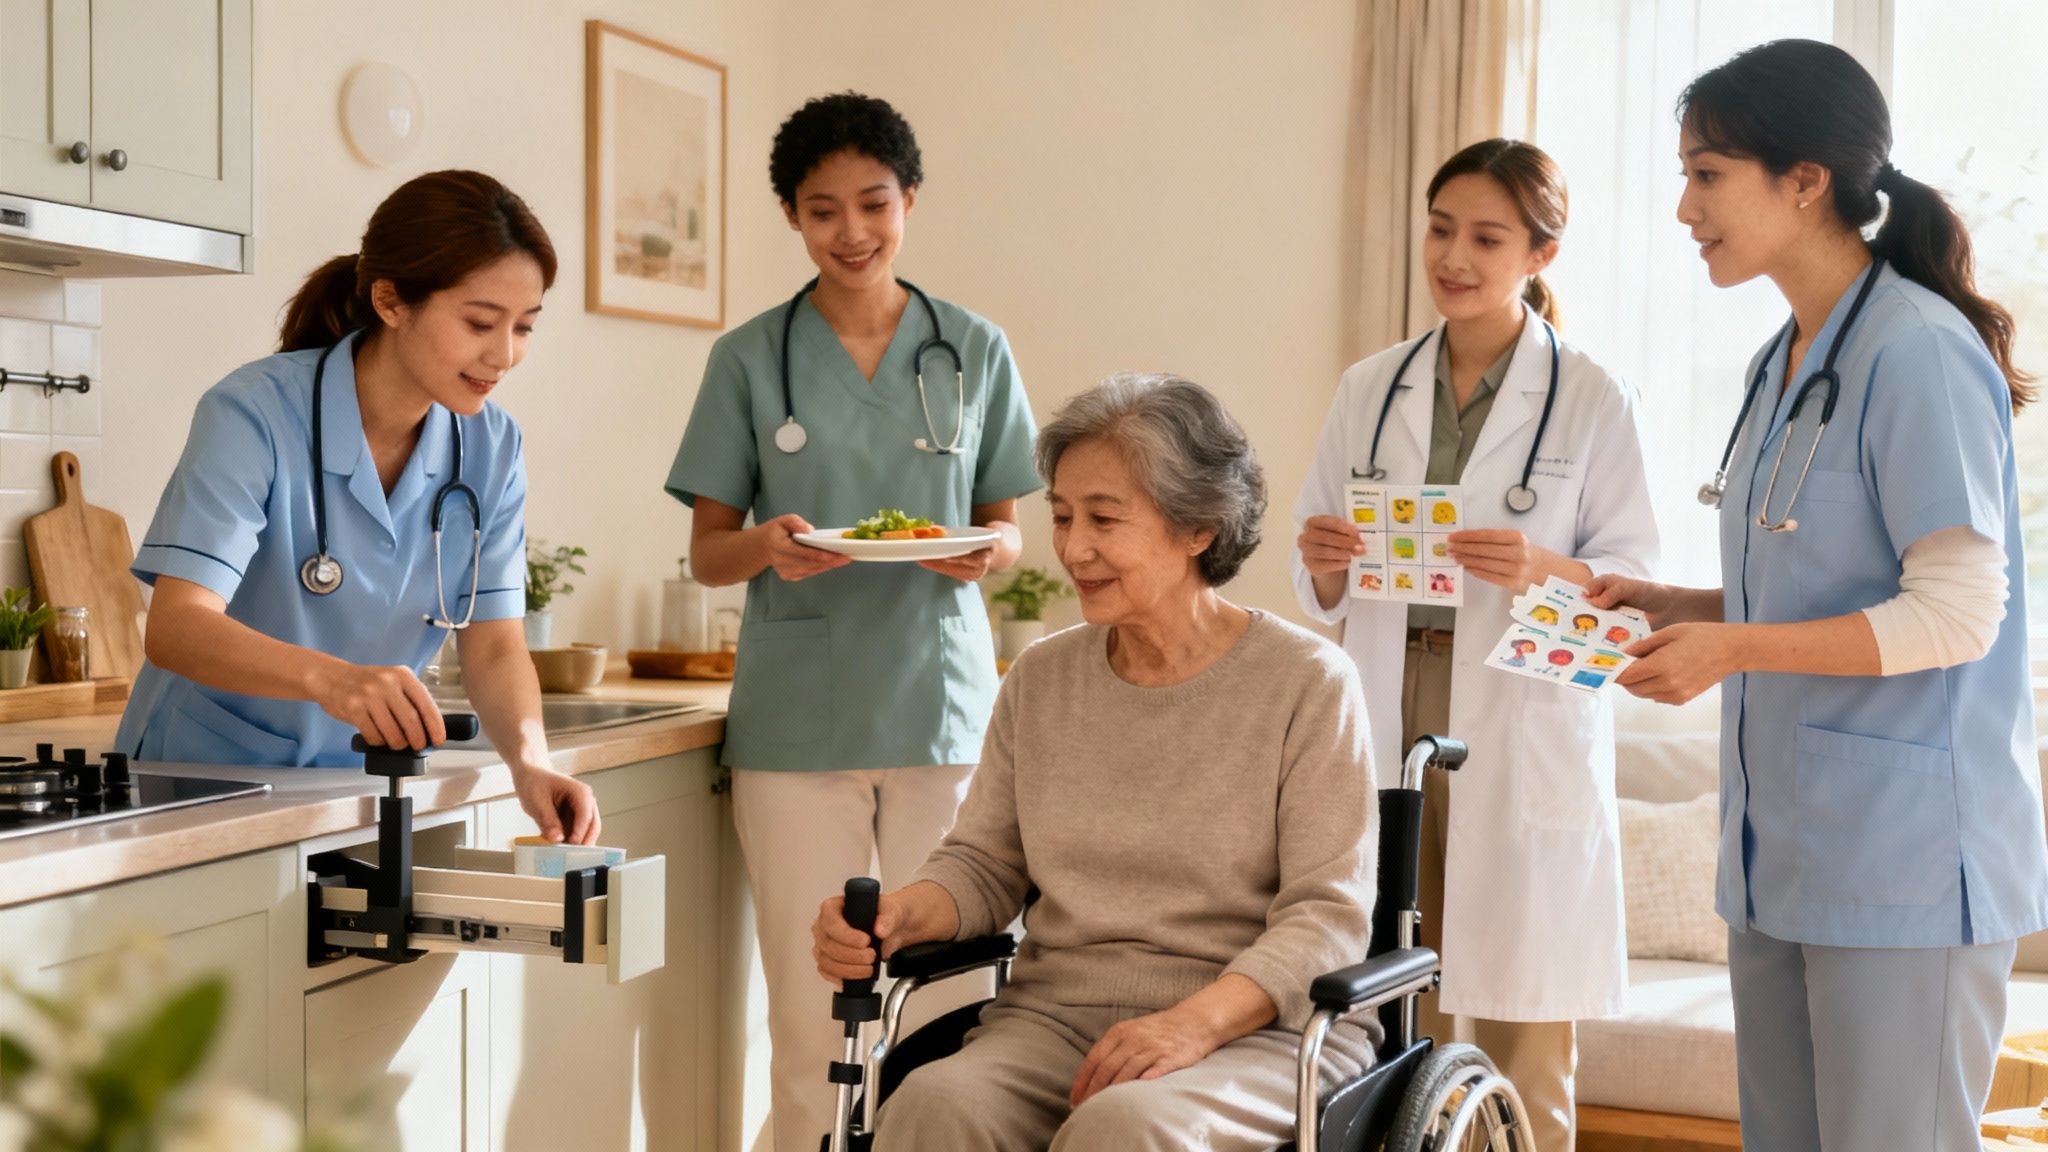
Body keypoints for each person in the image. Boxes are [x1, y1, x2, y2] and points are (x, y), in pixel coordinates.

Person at [1587, 39, 2046, 1151]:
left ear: (1803, 180)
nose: (1684, 207)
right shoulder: (1785, 360)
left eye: (1707, 174)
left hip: (1904, 864)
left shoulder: (1919, 352)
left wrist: (1733, 649)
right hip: (1778, 857)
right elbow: (1805, 579)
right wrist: (1676, 604)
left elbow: (1957, 613)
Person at [812, 375, 1377, 1151]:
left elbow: (1326, 917)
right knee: (933, 1104)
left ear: (1198, 528)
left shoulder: (1307, 682)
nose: (1074, 548)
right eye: (1063, 516)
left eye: (1104, 519)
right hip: (1054, 1020)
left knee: (1125, 1128)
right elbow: (984, 863)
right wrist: (897, 916)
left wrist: (1190, 1024)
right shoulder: (1042, 678)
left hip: (1260, 1030)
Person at [664, 92, 1039, 1152]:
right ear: (791, 214)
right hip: (800, 722)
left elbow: (1008, 532)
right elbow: (709, 552)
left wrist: (983, 549)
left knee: (949, 1004)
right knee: (809, 1013)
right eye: (822, 210)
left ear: (909, 199)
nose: (852, 232)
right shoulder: (750, 357)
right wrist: (767, 547)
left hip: (941, 708)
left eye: (874, 204)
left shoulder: (972, 348)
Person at [1291, 138, 1659, 1150]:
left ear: (1540, 255)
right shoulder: (1370, 386)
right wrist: (1322, 560)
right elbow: (1316, 571)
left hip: (1514, 715)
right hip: (1386, 702)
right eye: (1440, 229)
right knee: (1390, 992)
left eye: (1486, 238)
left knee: (1519, 1024)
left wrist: (1542, 568)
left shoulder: (1593, 395)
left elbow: (1634, 590)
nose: (1453, 257)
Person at [118, 170, 598, 843]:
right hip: (200, 778)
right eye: (480, 323)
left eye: (524, 326)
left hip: (355, 786)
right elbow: (177, 627)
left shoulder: (491, 446)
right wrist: (331, 680)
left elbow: (493, 645)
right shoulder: (254, 413)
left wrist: (531, 762)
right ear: (390, 300)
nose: (506, 354)